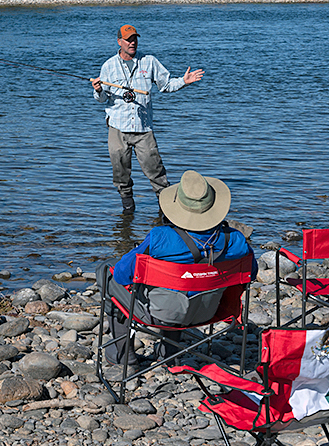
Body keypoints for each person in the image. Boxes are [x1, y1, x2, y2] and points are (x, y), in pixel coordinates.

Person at [99, 170, 258, 365]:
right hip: (209, 310)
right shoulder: (235, 240)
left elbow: (123, 274)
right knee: (183, 288)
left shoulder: (160, 238)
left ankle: (123, 355)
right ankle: (169, 354)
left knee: (107, 273)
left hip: (158, 314)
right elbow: (251, 274)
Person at [91, 24, 204, 214]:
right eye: (128, 39)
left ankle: (166, 208)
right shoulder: (108, 66)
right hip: (117, 128)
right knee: (120, 172)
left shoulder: (149, 61)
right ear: (119, 42)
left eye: (134, 39)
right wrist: (98, 90)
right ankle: (128, 208)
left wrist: (184, 81)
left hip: (144, 129)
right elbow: (103, 100)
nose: (132, 42)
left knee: (156, 170)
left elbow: (166, 85)